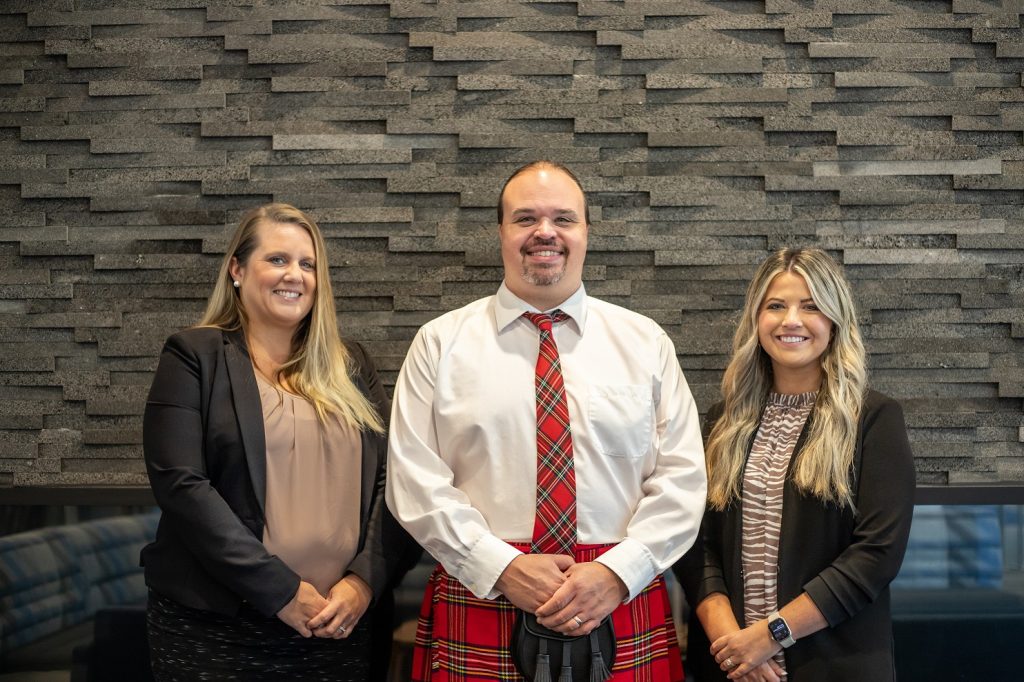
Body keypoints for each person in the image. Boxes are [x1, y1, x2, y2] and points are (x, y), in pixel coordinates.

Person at [386, 160, 707, 681]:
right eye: (525, 218)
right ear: (501, 233)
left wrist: (615, 573)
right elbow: (413, 482)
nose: (545, 232)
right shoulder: (440, 344)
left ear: (585, 233)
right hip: (484, 588)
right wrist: (503, 567)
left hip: (620, 596)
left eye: (564, 218)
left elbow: (684, 481)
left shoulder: (645, 343)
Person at [142, 203, 410, 680]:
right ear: (237, 270)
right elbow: (182, 485)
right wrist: (281, 590)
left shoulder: (352, 366)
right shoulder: (193, 356)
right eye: (278, 259)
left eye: (308, 264)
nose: (296, 275)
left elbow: (392, 482)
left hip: (340, 623)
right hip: (218, 629)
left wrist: (364, 583)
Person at [674, 248, 915, 682]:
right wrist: (733, 646)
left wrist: (770, 636)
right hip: (730, 666)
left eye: (811, 306)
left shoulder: (874, 420)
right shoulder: (722, 421)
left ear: (834, 321)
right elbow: (695, 543)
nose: (791, 321)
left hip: (833, 665)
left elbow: (875, 555)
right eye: (776, 306)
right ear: (756, 321)